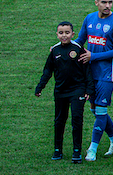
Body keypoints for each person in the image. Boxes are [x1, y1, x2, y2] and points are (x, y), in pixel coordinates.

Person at [76, 0, 113, 162]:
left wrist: (93, 56)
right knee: (94, 109)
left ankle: (93, 148)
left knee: (101, 109)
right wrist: (60, 46)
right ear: (96, 2)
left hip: (107, 73)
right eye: (104, 2)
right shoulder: (89, 18)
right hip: (90, 73)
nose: (107, 5)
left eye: (110, 2)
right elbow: (79, 41)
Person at [35, 21, 94, 163]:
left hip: (77, 90)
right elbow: (48, 71)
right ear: (57, 34)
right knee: (59, 120)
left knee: (77, 119)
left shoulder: (78, 48)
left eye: (67, 33)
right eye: (61, 33)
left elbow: (87, 70)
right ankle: (57, 150)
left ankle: (76, 151)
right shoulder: (54, 51)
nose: (64, 35)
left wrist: (89, 89)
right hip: (60, 91)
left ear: (72, 34)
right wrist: (40, 87)